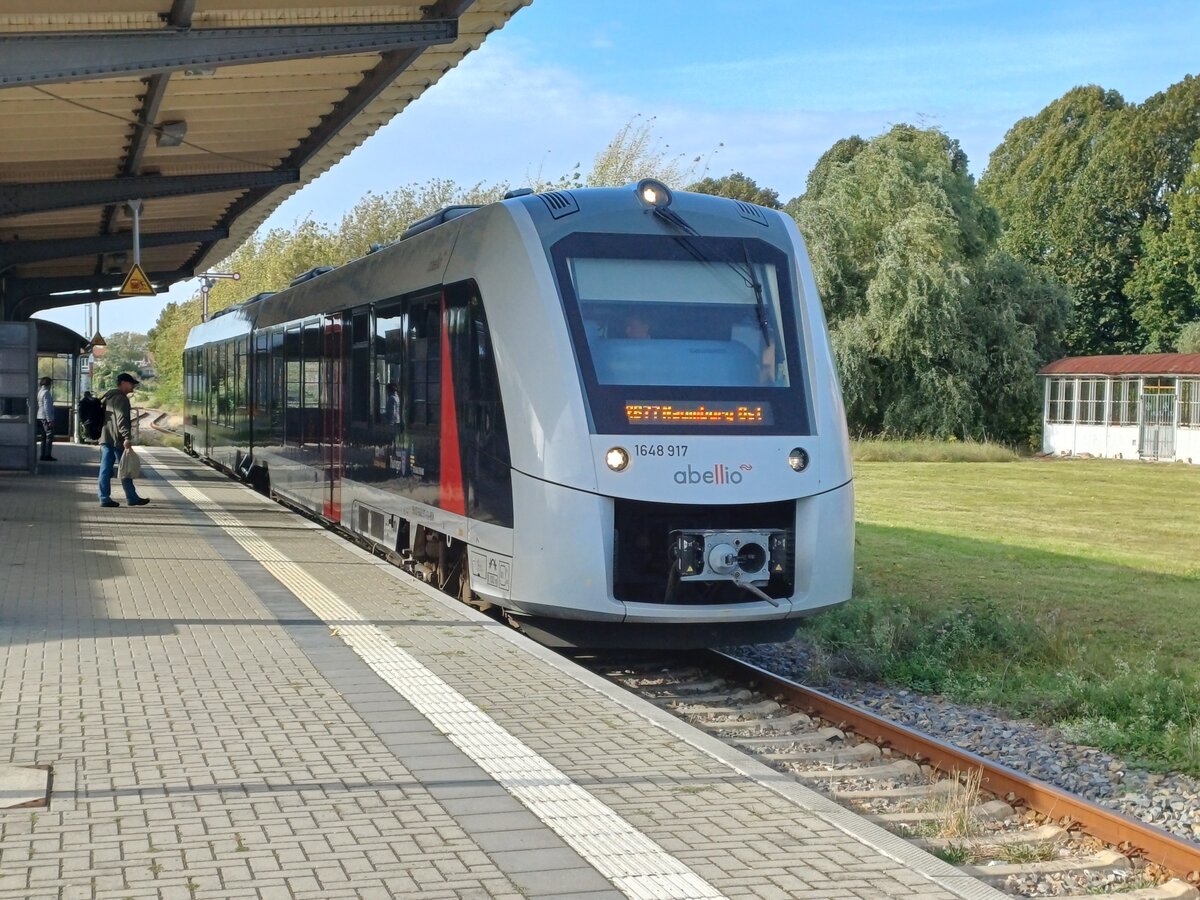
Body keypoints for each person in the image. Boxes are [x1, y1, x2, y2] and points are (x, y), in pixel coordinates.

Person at [98, 373, 149, 508]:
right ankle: (129, 497)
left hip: (106, 437)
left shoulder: (108, 396)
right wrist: (127, 437)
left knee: (107, 469)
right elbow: (121, 420)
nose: (133, 386)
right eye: (131, 383)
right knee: (124, 468)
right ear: (124, 383)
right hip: (116, 439)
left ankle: (108, 497)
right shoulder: (121, 399)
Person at [37, 376, 56, 461]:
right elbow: (47, 407)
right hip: (45, 417)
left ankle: (42, 455)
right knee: (49, 436)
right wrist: (50, 420)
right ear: (49, 384)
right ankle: (47, 455)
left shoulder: (40, 392)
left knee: (43, 437)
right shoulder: (46, 393)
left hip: (40, 416)